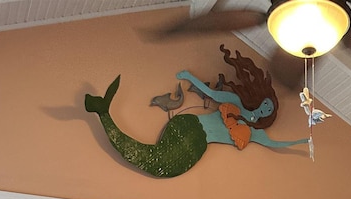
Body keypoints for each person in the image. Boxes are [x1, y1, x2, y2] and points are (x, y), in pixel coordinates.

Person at [85, 45, 308, 178]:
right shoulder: (235, 102)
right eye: (265, 102)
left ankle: (102, 112)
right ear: (259, 98)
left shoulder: (254, 133)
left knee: (162, 165)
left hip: (200, 143)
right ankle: (103, 113)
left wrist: (303, 141)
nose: (265, 108)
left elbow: (274, 144)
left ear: (269, 114)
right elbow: (212, 95)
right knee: (159, 163)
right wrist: (189, 77)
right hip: (190, 128)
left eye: (269, 108)